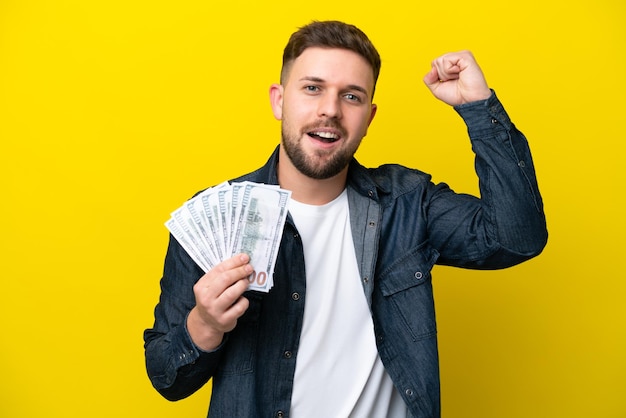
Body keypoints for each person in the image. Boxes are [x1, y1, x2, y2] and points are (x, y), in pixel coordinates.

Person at [144, 20, 547, 418]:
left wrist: (479, 107)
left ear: (369, 118)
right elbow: (166, 378)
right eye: (313, 88)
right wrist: (205, 325)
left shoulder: (408, 204)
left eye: (351, 97)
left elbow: (517, 237)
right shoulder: (216, 217)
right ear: (279, 101)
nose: (330, 110)